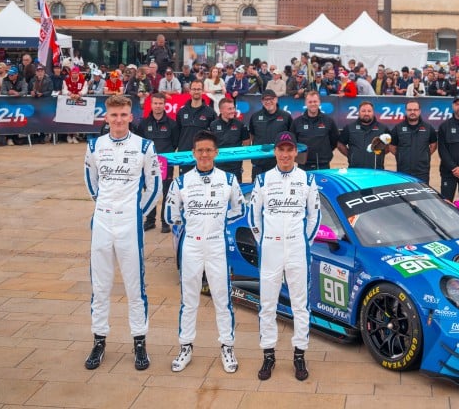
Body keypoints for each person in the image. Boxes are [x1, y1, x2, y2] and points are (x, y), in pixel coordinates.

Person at [83, 94, 162, 371]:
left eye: (123, 115)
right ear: (106, 117)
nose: (118, 120)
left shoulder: (144, 146)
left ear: (131, 116)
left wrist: (138, 214)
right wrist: (104, 206)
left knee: (135, 287)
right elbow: (91, 181)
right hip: (102, 224)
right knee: (100, 286)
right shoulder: (95, 145)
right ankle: (99, 340)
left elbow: (155, 186)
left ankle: (139, 341)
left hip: (130, 225)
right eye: (114, 115)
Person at [165, 131, 244, 374]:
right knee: (189, 300)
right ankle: (185, 346)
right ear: (193, 153)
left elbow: (239, 209)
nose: (204, 154)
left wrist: (218, 222)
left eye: (209, 150)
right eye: (200, 150)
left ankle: (227, 347)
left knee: (222, 298)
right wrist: (190, 225)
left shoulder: (229, 180)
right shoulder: (181, 182)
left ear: (216, 153)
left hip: (216, 245)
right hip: (192, 246)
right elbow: (170, 215)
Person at [248, 132, 320, 382]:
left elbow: (314, 215)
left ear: (295, 152)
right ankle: (268, 354)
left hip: (297, 248)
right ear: (275, 152)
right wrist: (264, 240)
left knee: (300, 305)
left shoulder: (307, 179)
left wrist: (304, 240)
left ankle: (299, 355)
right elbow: (253, 216)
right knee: (267, 304)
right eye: (282, 149)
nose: (286, 154)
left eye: (290, 150)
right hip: (271, 249)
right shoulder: (263, 179)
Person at [134, 93, 179, 232]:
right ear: (151, 104)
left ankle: (165, 221)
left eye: (160, 103)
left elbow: (175, 142)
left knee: (166, 192)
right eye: (155, 103)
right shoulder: (143, 123)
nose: (158, 106)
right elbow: (140, 143)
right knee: (150, 191)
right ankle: (150, 220)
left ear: (164, 104)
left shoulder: (172, 124)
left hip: (166, 165)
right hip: (148, 164)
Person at [248, 89, 294, 178]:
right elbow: (252, 136)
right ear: (262, 101)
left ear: (276, 99)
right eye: (265, 99)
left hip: (279, 163)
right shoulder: (255, 117)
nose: (268, 101)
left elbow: (291, 137)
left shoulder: (286, 116)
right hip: (259, 163)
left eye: (271, 99)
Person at [389, 100, 438, 183]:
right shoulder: (398, 128)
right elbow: (392, 147)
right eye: (409, 110)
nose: (412, 112)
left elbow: (433, 145)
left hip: (422, 171)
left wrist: (424, 155)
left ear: (419, 111)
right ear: (406, 111)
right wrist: (401, 156)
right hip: (403, 171)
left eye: (415, 110)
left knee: (423, 195)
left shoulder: (428, 128)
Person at [174, 79, 217, 172]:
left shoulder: (211, 113)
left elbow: (214, 136)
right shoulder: (181, 112)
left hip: (203, 156)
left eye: (199, 89)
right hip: (185, 156)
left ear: (203, 91)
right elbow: (176, 134)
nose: (196, 91)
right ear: (189, 91)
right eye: (194, 89)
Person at [291, 90, 340, 170]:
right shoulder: (297, 122)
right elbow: (293, 142)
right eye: (310, 102)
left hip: (323, 164)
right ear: (306, 103)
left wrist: (325, 151)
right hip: (303, 165)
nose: (313, 104)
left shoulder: (328, 121)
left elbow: (334, 141)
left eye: (315, 101)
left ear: (319, 102)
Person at [337, 101, 391, 169]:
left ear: (373, 112)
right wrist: (351, 155)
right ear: (359, 112)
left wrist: (380, 154)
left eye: (369, 111)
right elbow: (340, 144)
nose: (366, 113)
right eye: (363, 111)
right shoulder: (349, 128)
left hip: (376, 170)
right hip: (355, 170)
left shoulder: (383, 128)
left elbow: (390, 145)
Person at [209, 97, 251, 181]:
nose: (233, 111)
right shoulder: (213, 125)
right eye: (229, 109)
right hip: (218, 166)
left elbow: (247, 143)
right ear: (221, 110)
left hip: (235, 167)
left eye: (233, 108)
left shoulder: (240, 125)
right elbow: (210, 144)